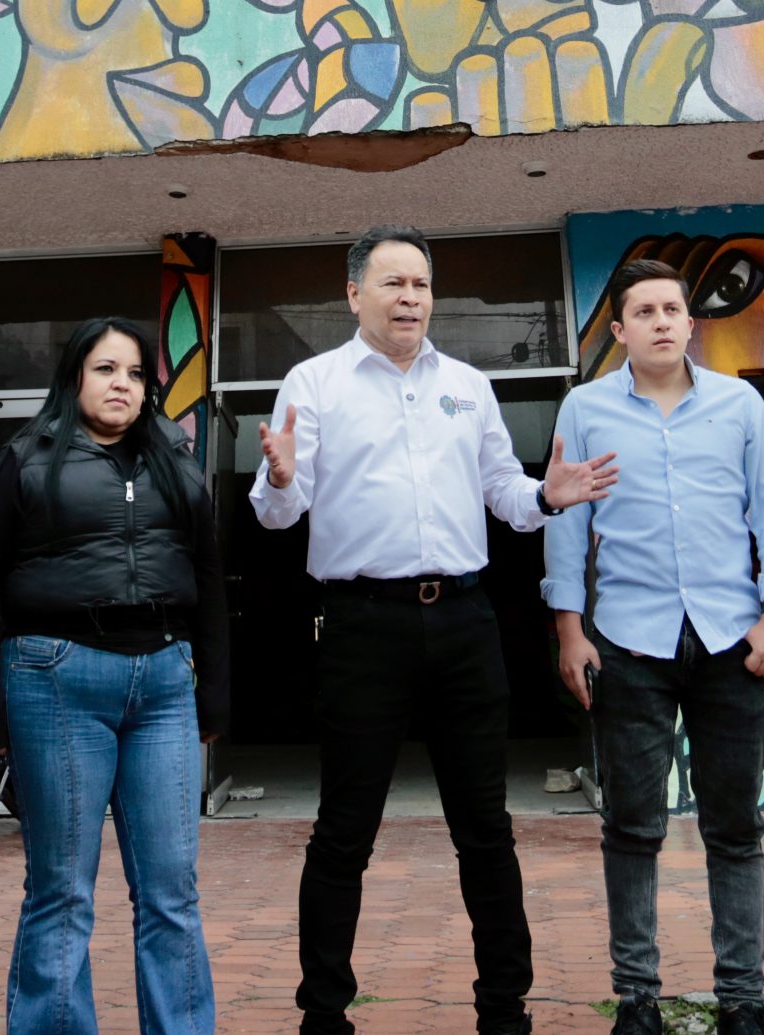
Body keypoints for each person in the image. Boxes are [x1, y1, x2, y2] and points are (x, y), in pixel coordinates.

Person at [253, 226, 618, 1035]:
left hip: (463, 622)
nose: (410, 297)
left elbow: (504, 493)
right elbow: (280, 511)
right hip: (361, 625)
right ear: (355, 294)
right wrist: (279, 476)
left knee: (485, 826)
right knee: (344, 829)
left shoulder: (467, 384)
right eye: (393, 283)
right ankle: (324, 1014)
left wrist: (546, 494)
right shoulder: (314, 383)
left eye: (420, 284)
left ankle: (504, 1008)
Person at [545, 259, 764, 1035]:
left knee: (735, 825)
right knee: (632, 826)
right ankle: (638, 999)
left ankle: (743, 1001)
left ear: (691, 323)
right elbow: (568, 523)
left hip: (732, 640)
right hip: (629, 641)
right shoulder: (585, 407)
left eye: (672, 308)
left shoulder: (740, 404)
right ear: (619, 329)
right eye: (644, 311)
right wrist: (569, 628)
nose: (661, 320)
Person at [0, 318, 227, 1035]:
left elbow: (208, 581)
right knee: (62, 891)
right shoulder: (24, 459)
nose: (121, 385)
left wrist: (214, 693)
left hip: (165, 684)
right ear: (74, 376)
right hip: (55, 679)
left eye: (135, 373)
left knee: (172, 891)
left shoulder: (177, 462)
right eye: (106, 369)